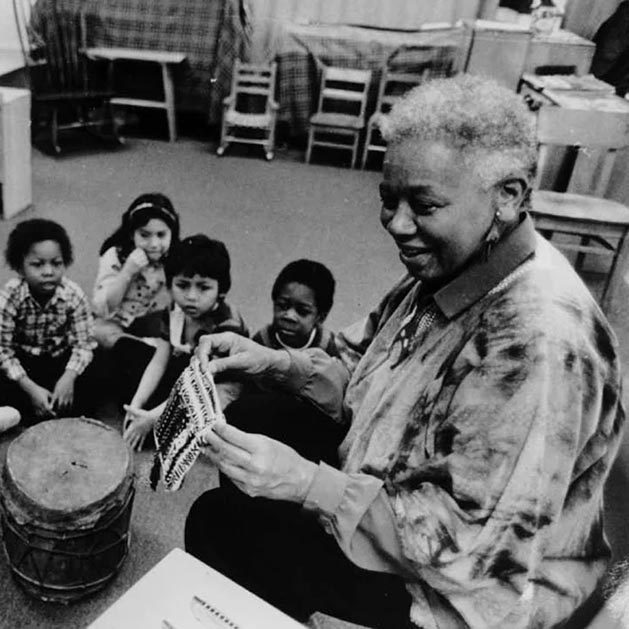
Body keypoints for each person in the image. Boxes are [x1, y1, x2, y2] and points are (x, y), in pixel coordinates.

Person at [185, 75, 625, 629]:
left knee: (218, 523)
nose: (396, 224)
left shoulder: (539, 343)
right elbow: (364, 363)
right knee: (255, 415)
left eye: (423, 204)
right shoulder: (454, 265)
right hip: (399, 493)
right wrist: (275, 362)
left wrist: (306, 484)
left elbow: (468, 548)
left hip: (473, 589)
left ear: (507, 197)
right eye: (387, 199)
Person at [122, 235, 248, 450]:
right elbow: (159, 361)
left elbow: (199, 386)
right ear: (170, 285)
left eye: (203, 287)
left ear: (221, 290)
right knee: (126, 354)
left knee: (189, 431)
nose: (191, 296)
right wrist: (137, 404)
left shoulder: (227, 324)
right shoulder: (173, 310)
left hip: (219, 385)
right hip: (189, 369)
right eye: (182, 285)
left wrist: (151, 418)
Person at [0, 219, 96, 423]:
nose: (48, 272)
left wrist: (68, 378)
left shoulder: (73, 295)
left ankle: (46, 407)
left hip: (58, 361)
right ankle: (34, 405)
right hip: (23, 364)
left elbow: (84, 345)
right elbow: (3, 350)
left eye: (56, 263)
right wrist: (30, 388)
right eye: (37, 264)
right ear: (19, 267)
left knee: (95, 375)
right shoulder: (10, 296)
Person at [92, 193, 180, 401]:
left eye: (161, 235)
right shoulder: (115, 255)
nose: (154, 244)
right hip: (115, 323)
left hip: (152, 322)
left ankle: (147, 357)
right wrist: (127, 272)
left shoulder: (175, 257)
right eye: (145, 235)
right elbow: (102, 307)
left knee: (170, 347)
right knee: (99, 333)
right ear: (132, 234)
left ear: (171, 234)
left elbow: (179, 304)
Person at [253, 259, 338, 356]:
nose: (289, 316)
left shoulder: (329, 346)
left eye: (302, 311)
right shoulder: (261, 342)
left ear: (320, 317)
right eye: (282, 306)